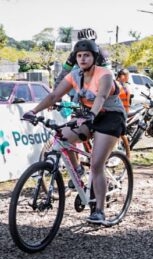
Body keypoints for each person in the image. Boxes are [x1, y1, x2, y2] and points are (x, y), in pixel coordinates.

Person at [23, 39, 126, 224]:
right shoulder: (75, 75)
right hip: (88, 115)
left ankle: (99, 211)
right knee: (62, 135)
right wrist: (33, 111)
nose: (82, 59)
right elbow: (54, 95)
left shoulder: (105, 74)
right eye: (79, 56)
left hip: (110, 116)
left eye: (86, 55)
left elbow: (101, 96)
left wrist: (92, 115)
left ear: (94, 57)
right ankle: (78, 171)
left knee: (96, 164)